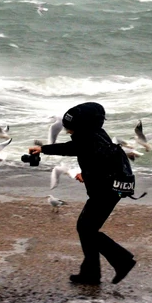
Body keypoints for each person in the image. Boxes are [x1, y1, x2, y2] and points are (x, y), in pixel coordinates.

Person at [29, 102, 137, 285]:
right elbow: (95, 158)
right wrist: (86, 175)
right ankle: (91, 274)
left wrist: (43, 149)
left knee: (86, 229)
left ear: (82, 126)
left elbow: (71, 148)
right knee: (87, 229)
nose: (68, 131)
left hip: (105, 192)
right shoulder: (96, 135)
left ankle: (122, 261)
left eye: (70, 128)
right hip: (108, 189)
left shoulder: (87, 139)